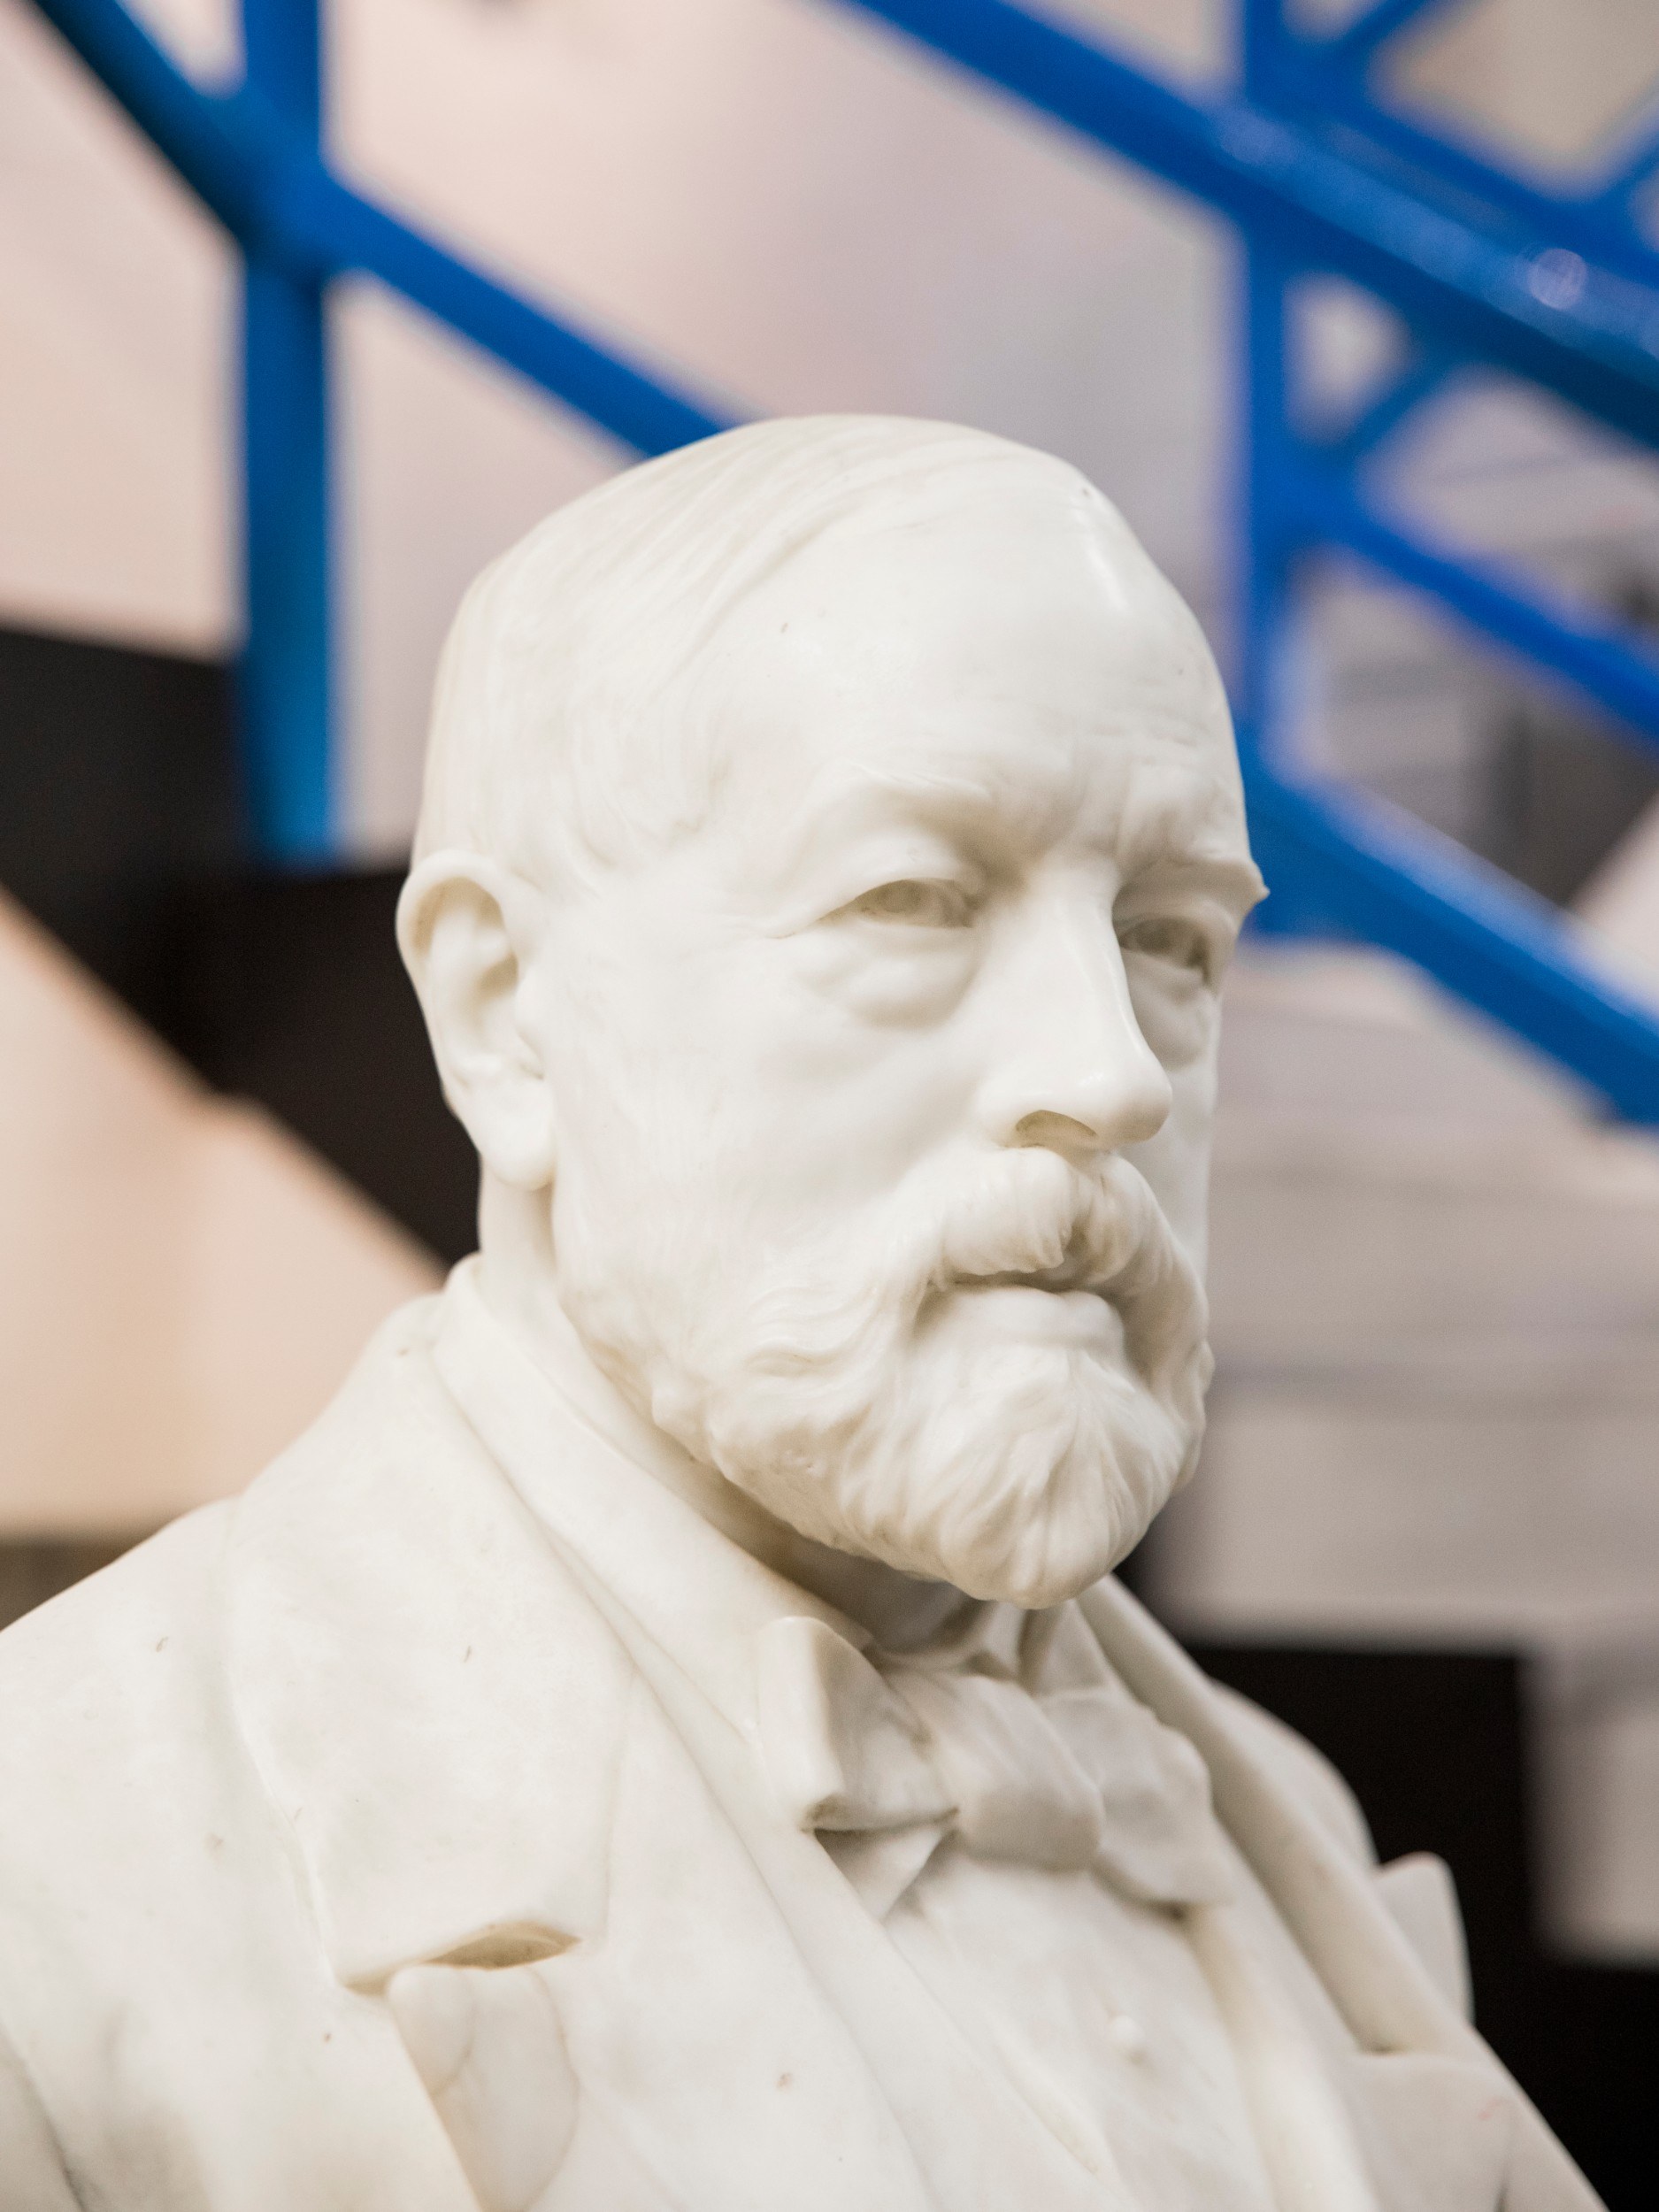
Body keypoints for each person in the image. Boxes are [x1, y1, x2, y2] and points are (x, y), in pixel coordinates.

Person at [0, 418, 1597, 2210]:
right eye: (913, 899)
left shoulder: (1276, 1824)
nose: (1109, 1071)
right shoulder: (58, 1885)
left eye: (1171, 937)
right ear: (502, 1011)